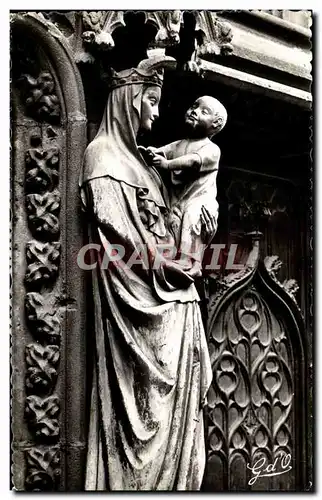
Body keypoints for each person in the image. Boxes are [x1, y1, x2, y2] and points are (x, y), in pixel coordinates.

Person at [79, 57, 215, 491]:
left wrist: (200, 226)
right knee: (147, 416)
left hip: (176, 299)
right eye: (151, 102)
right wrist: (166, 266)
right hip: (144, 309)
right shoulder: (102, 157)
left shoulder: (143, 162)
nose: (157, 114)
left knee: (183, 413)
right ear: (129, 99)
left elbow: (172, 223)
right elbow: (119, 236)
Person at [143, 96, 227, 269]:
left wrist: (167, 164)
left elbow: (193, 161)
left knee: (192, 216)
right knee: (176, 223)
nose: (195, 111)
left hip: (200, 201)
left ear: (216, 124)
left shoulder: (211, 149)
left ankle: (191, 263)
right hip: (178, 201)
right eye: (194, 106)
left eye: (204, 112)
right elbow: (164, 151)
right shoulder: (180, 144)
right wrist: (152, 152)